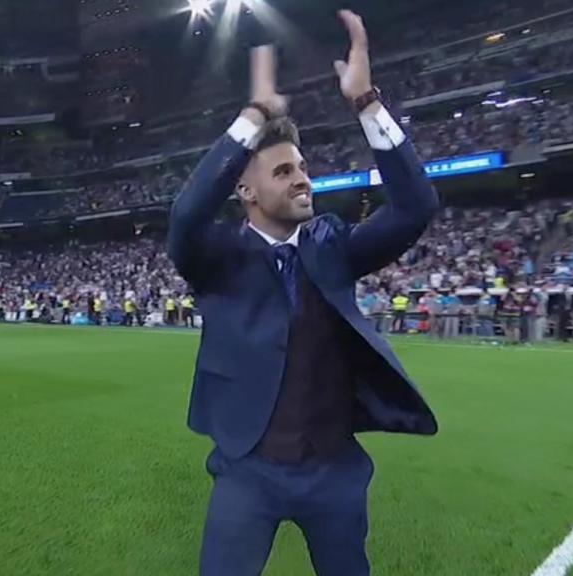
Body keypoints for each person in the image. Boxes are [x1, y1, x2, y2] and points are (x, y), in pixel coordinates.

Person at [167, 13, 439, 576]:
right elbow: (186, 214)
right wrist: (255, 116)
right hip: (249, 472)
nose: (302, 179)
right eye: (284, 170)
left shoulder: (332, 246)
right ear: (245, 190)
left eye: (304, 168)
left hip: (334, 472)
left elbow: (416, 207)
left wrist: (365, 101)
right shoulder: (217, 258)